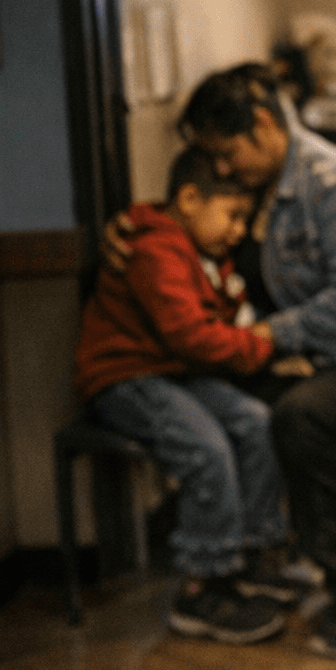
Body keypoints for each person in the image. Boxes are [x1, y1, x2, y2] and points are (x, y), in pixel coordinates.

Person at [170, 63, 336, 658]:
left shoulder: (332, 183)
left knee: (299, 418)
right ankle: (249, 563)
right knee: (229, 406)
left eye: (228, 151)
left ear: (263, 126)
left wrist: (269, 335)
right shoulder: (254, 185)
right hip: (306, 350)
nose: (224, 168)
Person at [74, 147, 290, 644]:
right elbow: (189, 335)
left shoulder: (199, 249)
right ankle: (203, 589)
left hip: (171, 374)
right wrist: (260, 345)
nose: (238, 230)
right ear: (189, 199)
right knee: (206, 450)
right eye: (233, 215)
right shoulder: (154, 250)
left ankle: (250, 557)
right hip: (125, 379)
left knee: (256, 422)